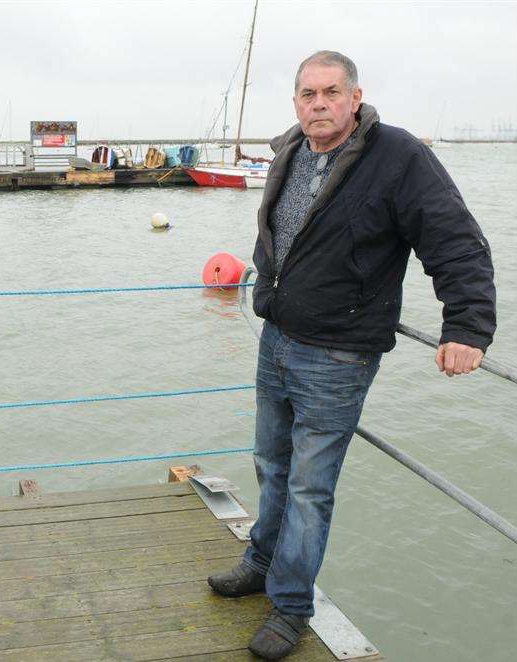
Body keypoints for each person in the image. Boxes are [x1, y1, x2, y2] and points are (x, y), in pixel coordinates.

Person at [207, 50, 496, 660]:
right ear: (295, 103)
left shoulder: (399, 157)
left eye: (331, 93)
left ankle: (289, 608)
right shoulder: (291, 146)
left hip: (339, 354)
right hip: (277, 337)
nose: (319, 104)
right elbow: (282, 238)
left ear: (355, 97)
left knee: (311, 487)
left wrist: (466, 326)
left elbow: (455, 241)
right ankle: (260, 560)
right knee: (271, 464)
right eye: (308, 94)